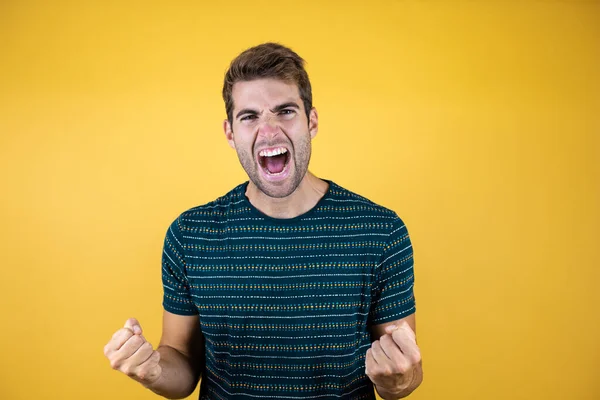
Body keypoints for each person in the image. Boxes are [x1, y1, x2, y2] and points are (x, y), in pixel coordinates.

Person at [103, 42, 423, 400]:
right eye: (250, 116)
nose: (269, 131)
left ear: (311, 121)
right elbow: (182, 367)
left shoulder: (380, 231)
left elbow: (402, 372)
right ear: (230, 133)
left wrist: (398, 380)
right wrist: (153, 370)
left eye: (285, 111)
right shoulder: (191, 235)